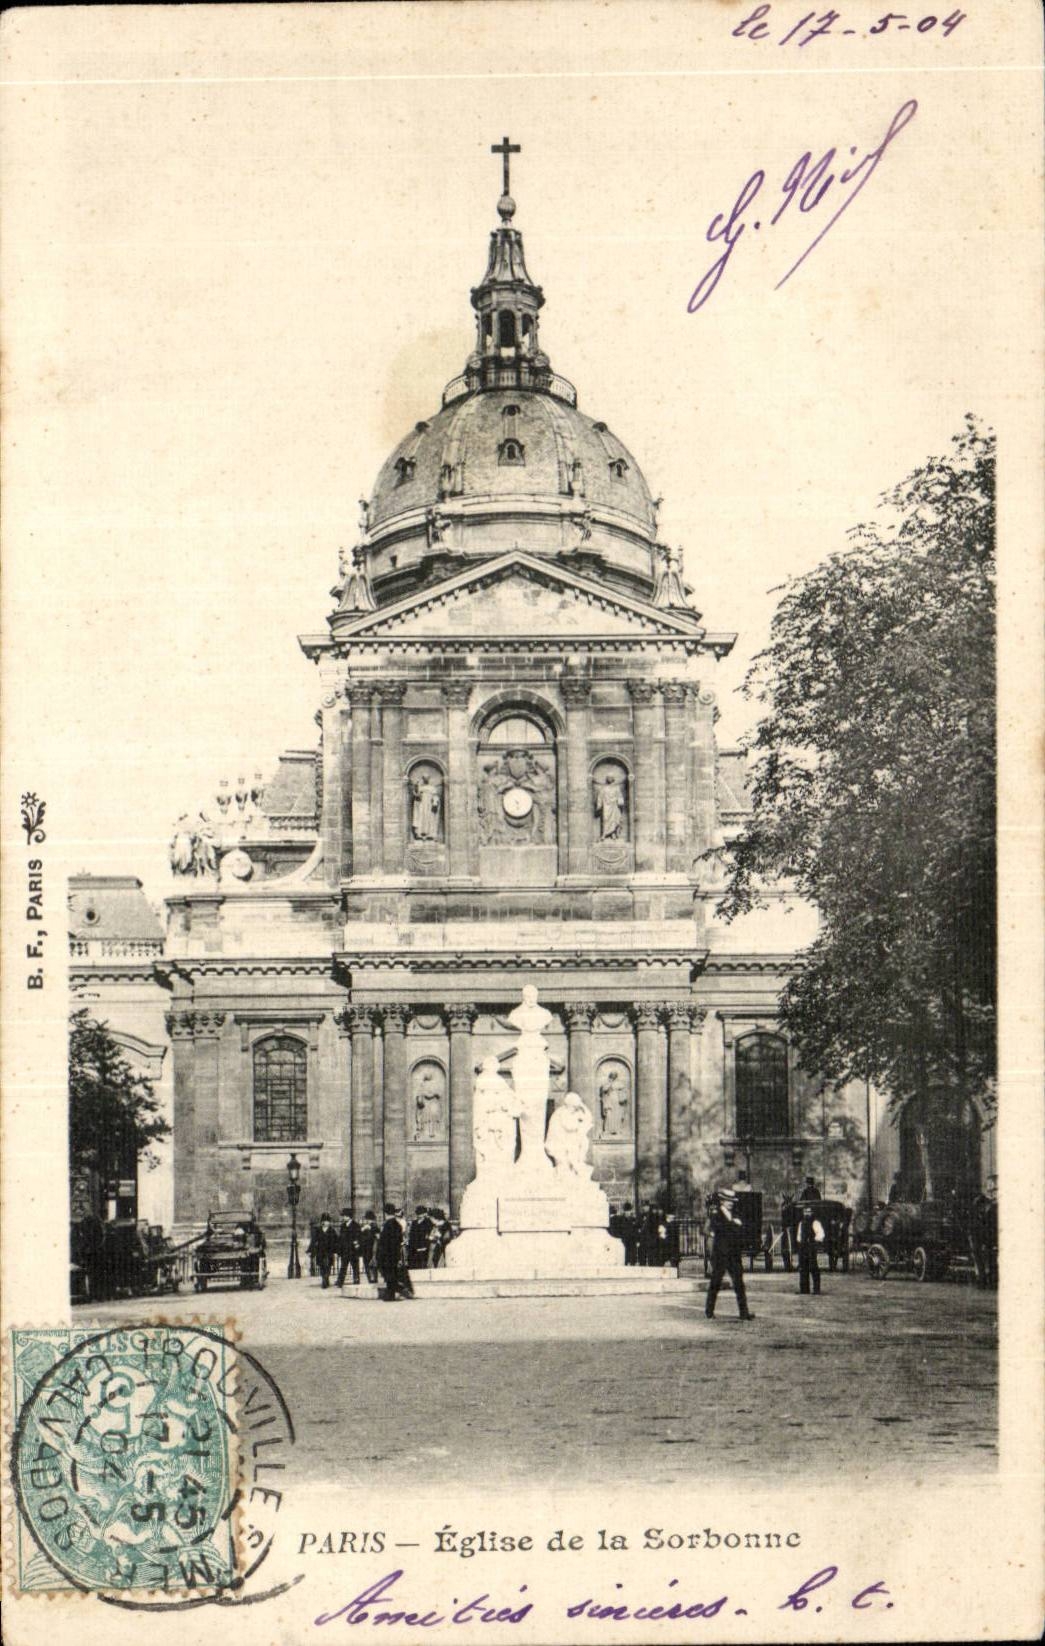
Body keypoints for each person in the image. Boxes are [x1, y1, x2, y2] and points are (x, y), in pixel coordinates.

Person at [705, 1188, 755, 1321]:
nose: (731, 1203)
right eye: (728, 1201)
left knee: (739, 1284)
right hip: (721, 1254)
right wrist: (734, 1225)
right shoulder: (716, 1214)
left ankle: (744, 1313)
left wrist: (734, 1226)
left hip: (733, 1253)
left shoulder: (735, 1213)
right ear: (722, 1201)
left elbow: (741, 1230)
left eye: (732, 1201)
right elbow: (721, 1229)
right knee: (715, 1282)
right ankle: (709, 1311)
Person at [376, 1203, 413, 1301]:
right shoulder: (397, 1225)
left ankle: (397, 1290)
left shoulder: (388, 1224)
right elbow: (399, 1240)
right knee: (391, 1274)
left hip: (386, 1254)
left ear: (385, 1213)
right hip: (394, 1253)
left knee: (388, 1275)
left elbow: (385, 1241)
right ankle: (391, 1294)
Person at [795, 1203, 825, 1295]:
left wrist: (814, 1241)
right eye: (805, 1212)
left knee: (813, 1267)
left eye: (808, 1212)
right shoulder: (801, 1223)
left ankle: (816, 1289)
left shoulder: (815, 1223)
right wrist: (800, 1242)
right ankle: (804, 1289)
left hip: (811, 1247)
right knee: (803, 1268)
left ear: (812, 1213)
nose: (807, 1214)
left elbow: (821, 1234)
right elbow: (799, 1235)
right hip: (803, 1247)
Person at [310, 1211, 338, 1289]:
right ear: (322, 1222)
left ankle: (325, 1279)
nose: (325, 1223)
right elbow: (313, 1240)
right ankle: (324, 1278)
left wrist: (336, 1251)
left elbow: (336, 1241)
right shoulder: (318, 1230)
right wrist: (310, 1250)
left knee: (328, 1265)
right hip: (320, 1251)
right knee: (322, 1266)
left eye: (327, 1221)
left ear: (329, 1222)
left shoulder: (332, 1231)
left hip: (329, 1251)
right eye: (324, 1221)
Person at [336, 1207, 362, 1287]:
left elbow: (358, 1237)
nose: (343, 1217)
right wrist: (339, 1249)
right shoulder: (343, 1226)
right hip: (345, 1250)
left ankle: (356, 1279)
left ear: (349, 1216)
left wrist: (356, 1244)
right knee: (343, 1266)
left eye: (345, 1216)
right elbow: (340, 1238)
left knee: (355, 1266)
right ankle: (340, 1281)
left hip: (353, 1250)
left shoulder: (356, 1225)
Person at [407, 1205, 433, 1269]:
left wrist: (425, 1246)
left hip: (423, 1246)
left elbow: (428, 1235)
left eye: (421, 1213)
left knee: (422, 1264)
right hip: (413, 1246)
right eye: (418, 1214)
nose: (419, 1215)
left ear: (424, 1214)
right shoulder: (414, 1222)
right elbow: (411, 1234)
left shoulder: (428, 1222)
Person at [359, 1210, 379, 1283]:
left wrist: (369, 1228)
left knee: (371, 1264)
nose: (367, 1221)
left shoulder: (374, 1226)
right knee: (369, 1264)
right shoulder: (365, 1227)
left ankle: (372, 1279)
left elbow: (377, 1237)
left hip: (372, 1248)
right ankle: (372, 1278)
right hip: (367, 1248)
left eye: (368, 1219)